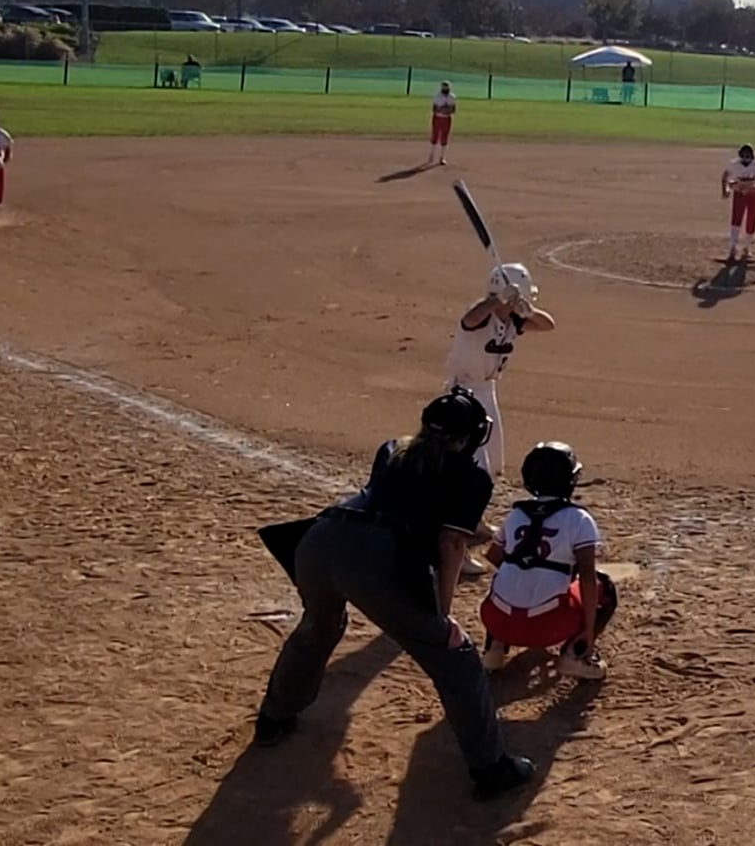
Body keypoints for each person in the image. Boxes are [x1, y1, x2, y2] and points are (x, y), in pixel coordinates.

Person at [252, 388, 535, 800]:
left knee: (319, 627)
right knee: (456, 659)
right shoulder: (472, 477)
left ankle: (272, 718)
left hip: (319, 540)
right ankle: (491, 769)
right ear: (474, 436)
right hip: (374, 559)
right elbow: (451, 544)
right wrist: (441, 615)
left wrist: (481, 530)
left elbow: (415, 501)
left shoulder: (392, 450)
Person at [479, 441, 616, 680]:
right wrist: (588, 629)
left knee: (504, 581)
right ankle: (575, 655)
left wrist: (528, 573)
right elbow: (587, 578)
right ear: (571, 480)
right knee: (604, 586)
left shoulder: (516, 514)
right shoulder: (579, 519)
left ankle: (494, 650)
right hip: (547, 628)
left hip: (497, 620)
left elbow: (493, 556)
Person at [446, 262, 554, 483]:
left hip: (487, 390)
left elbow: (548, 325)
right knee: (473, 457)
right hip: (463, 391)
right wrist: (499, 300)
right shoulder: (482, 315)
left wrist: (530, 312)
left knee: (493, 458)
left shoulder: (514, 320)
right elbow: (470, 319)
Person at [720, 144, 755, 263]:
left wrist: (750, 190)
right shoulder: (734, 165)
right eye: (744, 156)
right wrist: (726, 189)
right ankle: (732, 248)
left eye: (748, 156)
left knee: (751, 221)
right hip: (740, 194)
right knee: (736, 220)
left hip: (754, 196)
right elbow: (725, 177)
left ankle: (747, 246)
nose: (746, 159)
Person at [429, 81, 457, 166]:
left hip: (446, 119)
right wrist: (444, 110)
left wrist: (443, 110)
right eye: (444, 87)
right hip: (437, 118)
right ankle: (432, 154)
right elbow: (434, 109)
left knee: (444, 137)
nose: (445, 89)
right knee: (435, 136)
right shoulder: (437, 96)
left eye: (446, 87)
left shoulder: (452, 97)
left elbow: (453, 110)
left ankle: (442, 157)